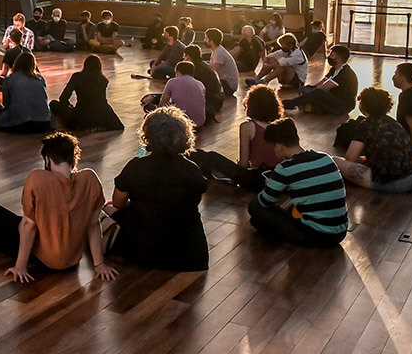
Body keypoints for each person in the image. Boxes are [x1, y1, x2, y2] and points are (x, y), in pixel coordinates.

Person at [0, 132, 118, 283]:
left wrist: (20, 266)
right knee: (25, 220)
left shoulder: (37, 179)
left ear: (47, 160)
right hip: (72, 260)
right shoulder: (90, 178)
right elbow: (93, 225)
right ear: (74, 161)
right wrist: (99, 264)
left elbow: (29, 226)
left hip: (44, 258)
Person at [107, 107, 209, 271]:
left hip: (144, 252)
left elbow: (118, 203)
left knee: (106, 208)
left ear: (147, 137)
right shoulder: (192, 170)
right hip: (190, 254)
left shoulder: (136, 167)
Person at [248, 117, 348, 247]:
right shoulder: (325, 158)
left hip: (317, 234)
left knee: (254, 207)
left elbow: (265, 202)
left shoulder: (285, 168)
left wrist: (269, 186)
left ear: (278, 146)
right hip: (340, 232)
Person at [332, 87, 412, 194]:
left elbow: (350, 158)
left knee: (336, 161)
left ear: (363, 105)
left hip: (391, 183)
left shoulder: (367, 125)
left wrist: (358, 159)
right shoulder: (393, 123)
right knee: (362, 160)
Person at [190, 84, 284, 192]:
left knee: (210, 157)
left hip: (258, 179)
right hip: (278, 177)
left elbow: (244, 163)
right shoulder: (281, 126)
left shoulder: (248, 127)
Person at [49, 54, 124, 132]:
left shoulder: (77, 77)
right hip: (102, 114)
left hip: (82, 115)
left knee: (53, 103)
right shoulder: (103, 80)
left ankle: (55, 127)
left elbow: (63, 98)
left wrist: (69, 106)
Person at [0, 51, 53, 134]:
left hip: (19, 124)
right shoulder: (40, 78)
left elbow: (6, 103)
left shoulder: (10, 79)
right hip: (44, 123)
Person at [282, 45, 358, 115]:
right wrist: (309, 87)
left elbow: (324, 87)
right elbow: (322, 81)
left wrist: (310, 92)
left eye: (331, 55)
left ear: (338, 59)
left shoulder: (345, 73)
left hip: (344, 105)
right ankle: (308, 106)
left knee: (317, 92)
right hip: (335, 98)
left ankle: (289, 104)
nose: (329, 57)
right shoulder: (334, 68)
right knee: (307, 89)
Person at [158, 61, 206, 129]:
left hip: (181, 124)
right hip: (199, 122)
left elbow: (163, 102)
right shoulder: (200, 84)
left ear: (178, 72)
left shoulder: (172, 82)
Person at [183, 45, 223, 120]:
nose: (183, 59)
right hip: (217, 100)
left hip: (210, 102)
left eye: (184, 56)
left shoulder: (196, 69)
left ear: (189, 56)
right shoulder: (203, 65)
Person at [204, 28, 239, 97]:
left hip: (228, 86)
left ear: (212, 41)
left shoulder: (219, 53)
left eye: (206, 38)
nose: (204, 40)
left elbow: (212, 72)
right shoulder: (217, 50)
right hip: (226, 84)